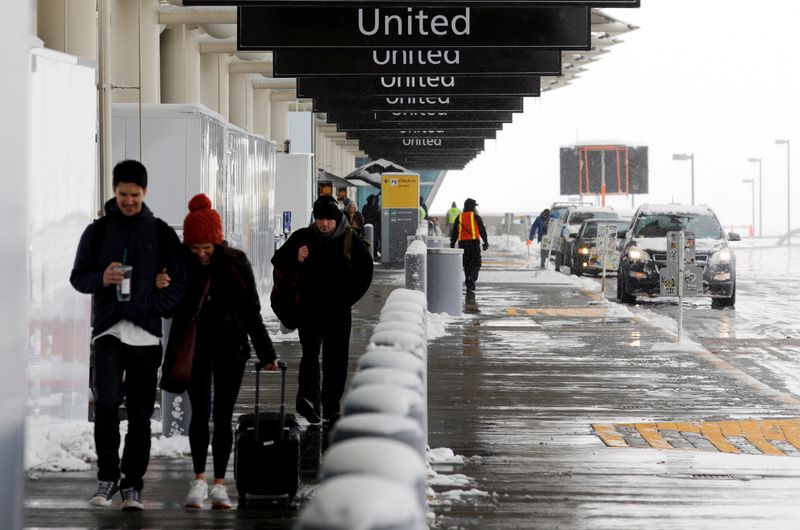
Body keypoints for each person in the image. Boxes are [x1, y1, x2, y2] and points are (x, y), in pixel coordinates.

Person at [70, 159, 187, 511]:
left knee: (139, 415)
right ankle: (107, 479)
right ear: (114, 191)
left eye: (134, 194)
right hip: (107, 332)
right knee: (105, 406)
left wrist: (155, 303)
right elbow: (78, 277)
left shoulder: (161, 232)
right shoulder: (97, 232)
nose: (129, 201)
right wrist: (101, 280)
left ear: (145, 192)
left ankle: (132, 484)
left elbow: (180, 281)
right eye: (122, 194)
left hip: (146, 337)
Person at [158, 194, 279, 510]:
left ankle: (220, 486)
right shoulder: (179, 264)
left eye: (206, 248)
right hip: (195, 350)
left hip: (231, 350)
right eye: (195, 248)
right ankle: (199, 480)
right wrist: (163, 286)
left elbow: (252, 311)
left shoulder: (236, 263)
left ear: (217, 241)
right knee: (199, 413)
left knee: (223, 416)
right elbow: (169, 310)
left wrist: (267, 353)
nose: (201, 254)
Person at [271, 195, 373, 424]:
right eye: (320, 219)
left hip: (338, 312)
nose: (324, 224)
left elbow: (365, 274)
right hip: (309, 310)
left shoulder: (350, 240)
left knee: (336, 359)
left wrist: (347, 299)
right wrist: (295, 257)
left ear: (337, 219)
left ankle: (331, 404)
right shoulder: (303, 237)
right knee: (310, 355)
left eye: (328, 219)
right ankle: (308, 399)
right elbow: (277, 259)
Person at [450, 198, 489, 294]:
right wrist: (485, 242)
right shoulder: (476, 217)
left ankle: (469, 283)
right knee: (476, 263)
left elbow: (454, 232)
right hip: (474, 243)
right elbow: (482, 230)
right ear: (472, 207)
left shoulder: (459, 217)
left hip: (462, 244)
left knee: (466, 264)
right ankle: (472, 278)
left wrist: (452, 244)